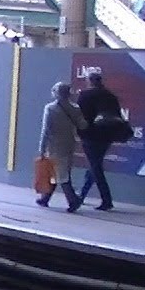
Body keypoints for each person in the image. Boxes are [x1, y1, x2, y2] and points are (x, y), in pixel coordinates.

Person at [36, 82, 87, 212]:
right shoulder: (75, 108)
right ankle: (45, 198)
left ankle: (73, 200)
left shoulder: (50, 108)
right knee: (59, 172)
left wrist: (41, 148)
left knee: (61, 174)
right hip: (69, 144)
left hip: (54, 145)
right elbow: (83, 126)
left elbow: (45, 130)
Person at [76, 70, 121, 211]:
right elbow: (117, 116)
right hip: (107, 136)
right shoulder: (111, 96)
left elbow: (80, 116)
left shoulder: (85, 95)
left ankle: (106, 200)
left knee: (95, 167)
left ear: (89, 81)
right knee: (94, 164)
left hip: (90, 135)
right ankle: (81, 195)